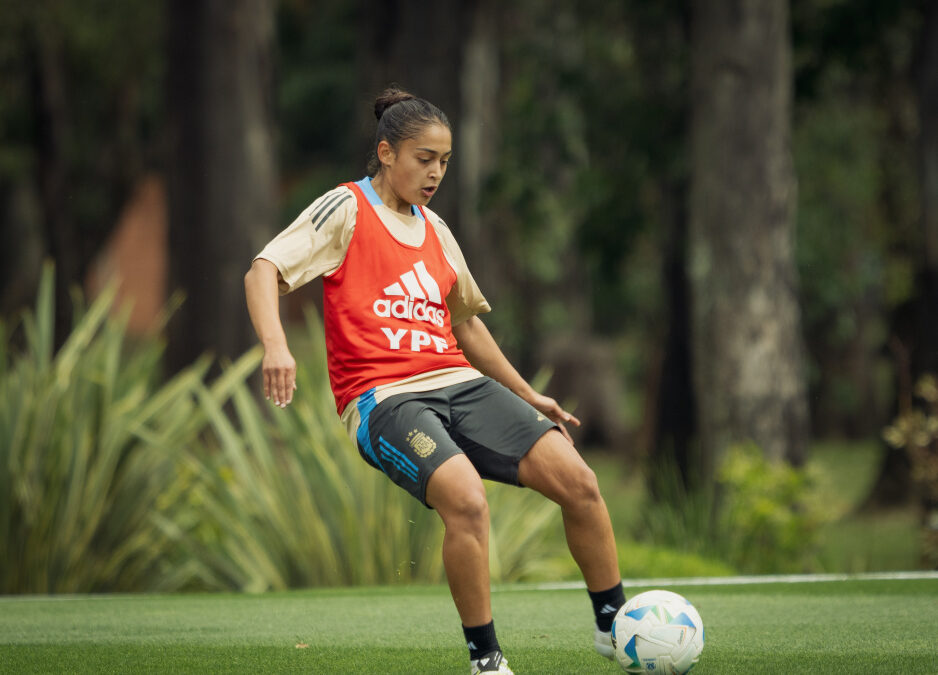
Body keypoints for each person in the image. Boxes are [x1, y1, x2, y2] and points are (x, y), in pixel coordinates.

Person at [244, 86, 625, 674]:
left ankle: (615, 629)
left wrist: (528, 394)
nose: (436, 173)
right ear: (387, 152)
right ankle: (487, 660)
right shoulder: (345, 208)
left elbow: (466, 326)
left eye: (444, 162)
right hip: (384, 399)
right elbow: (264, 268)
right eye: (424, 159)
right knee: (467, 501)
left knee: (580, 482)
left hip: (459, 383)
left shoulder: (437, 229)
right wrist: (275, 345)